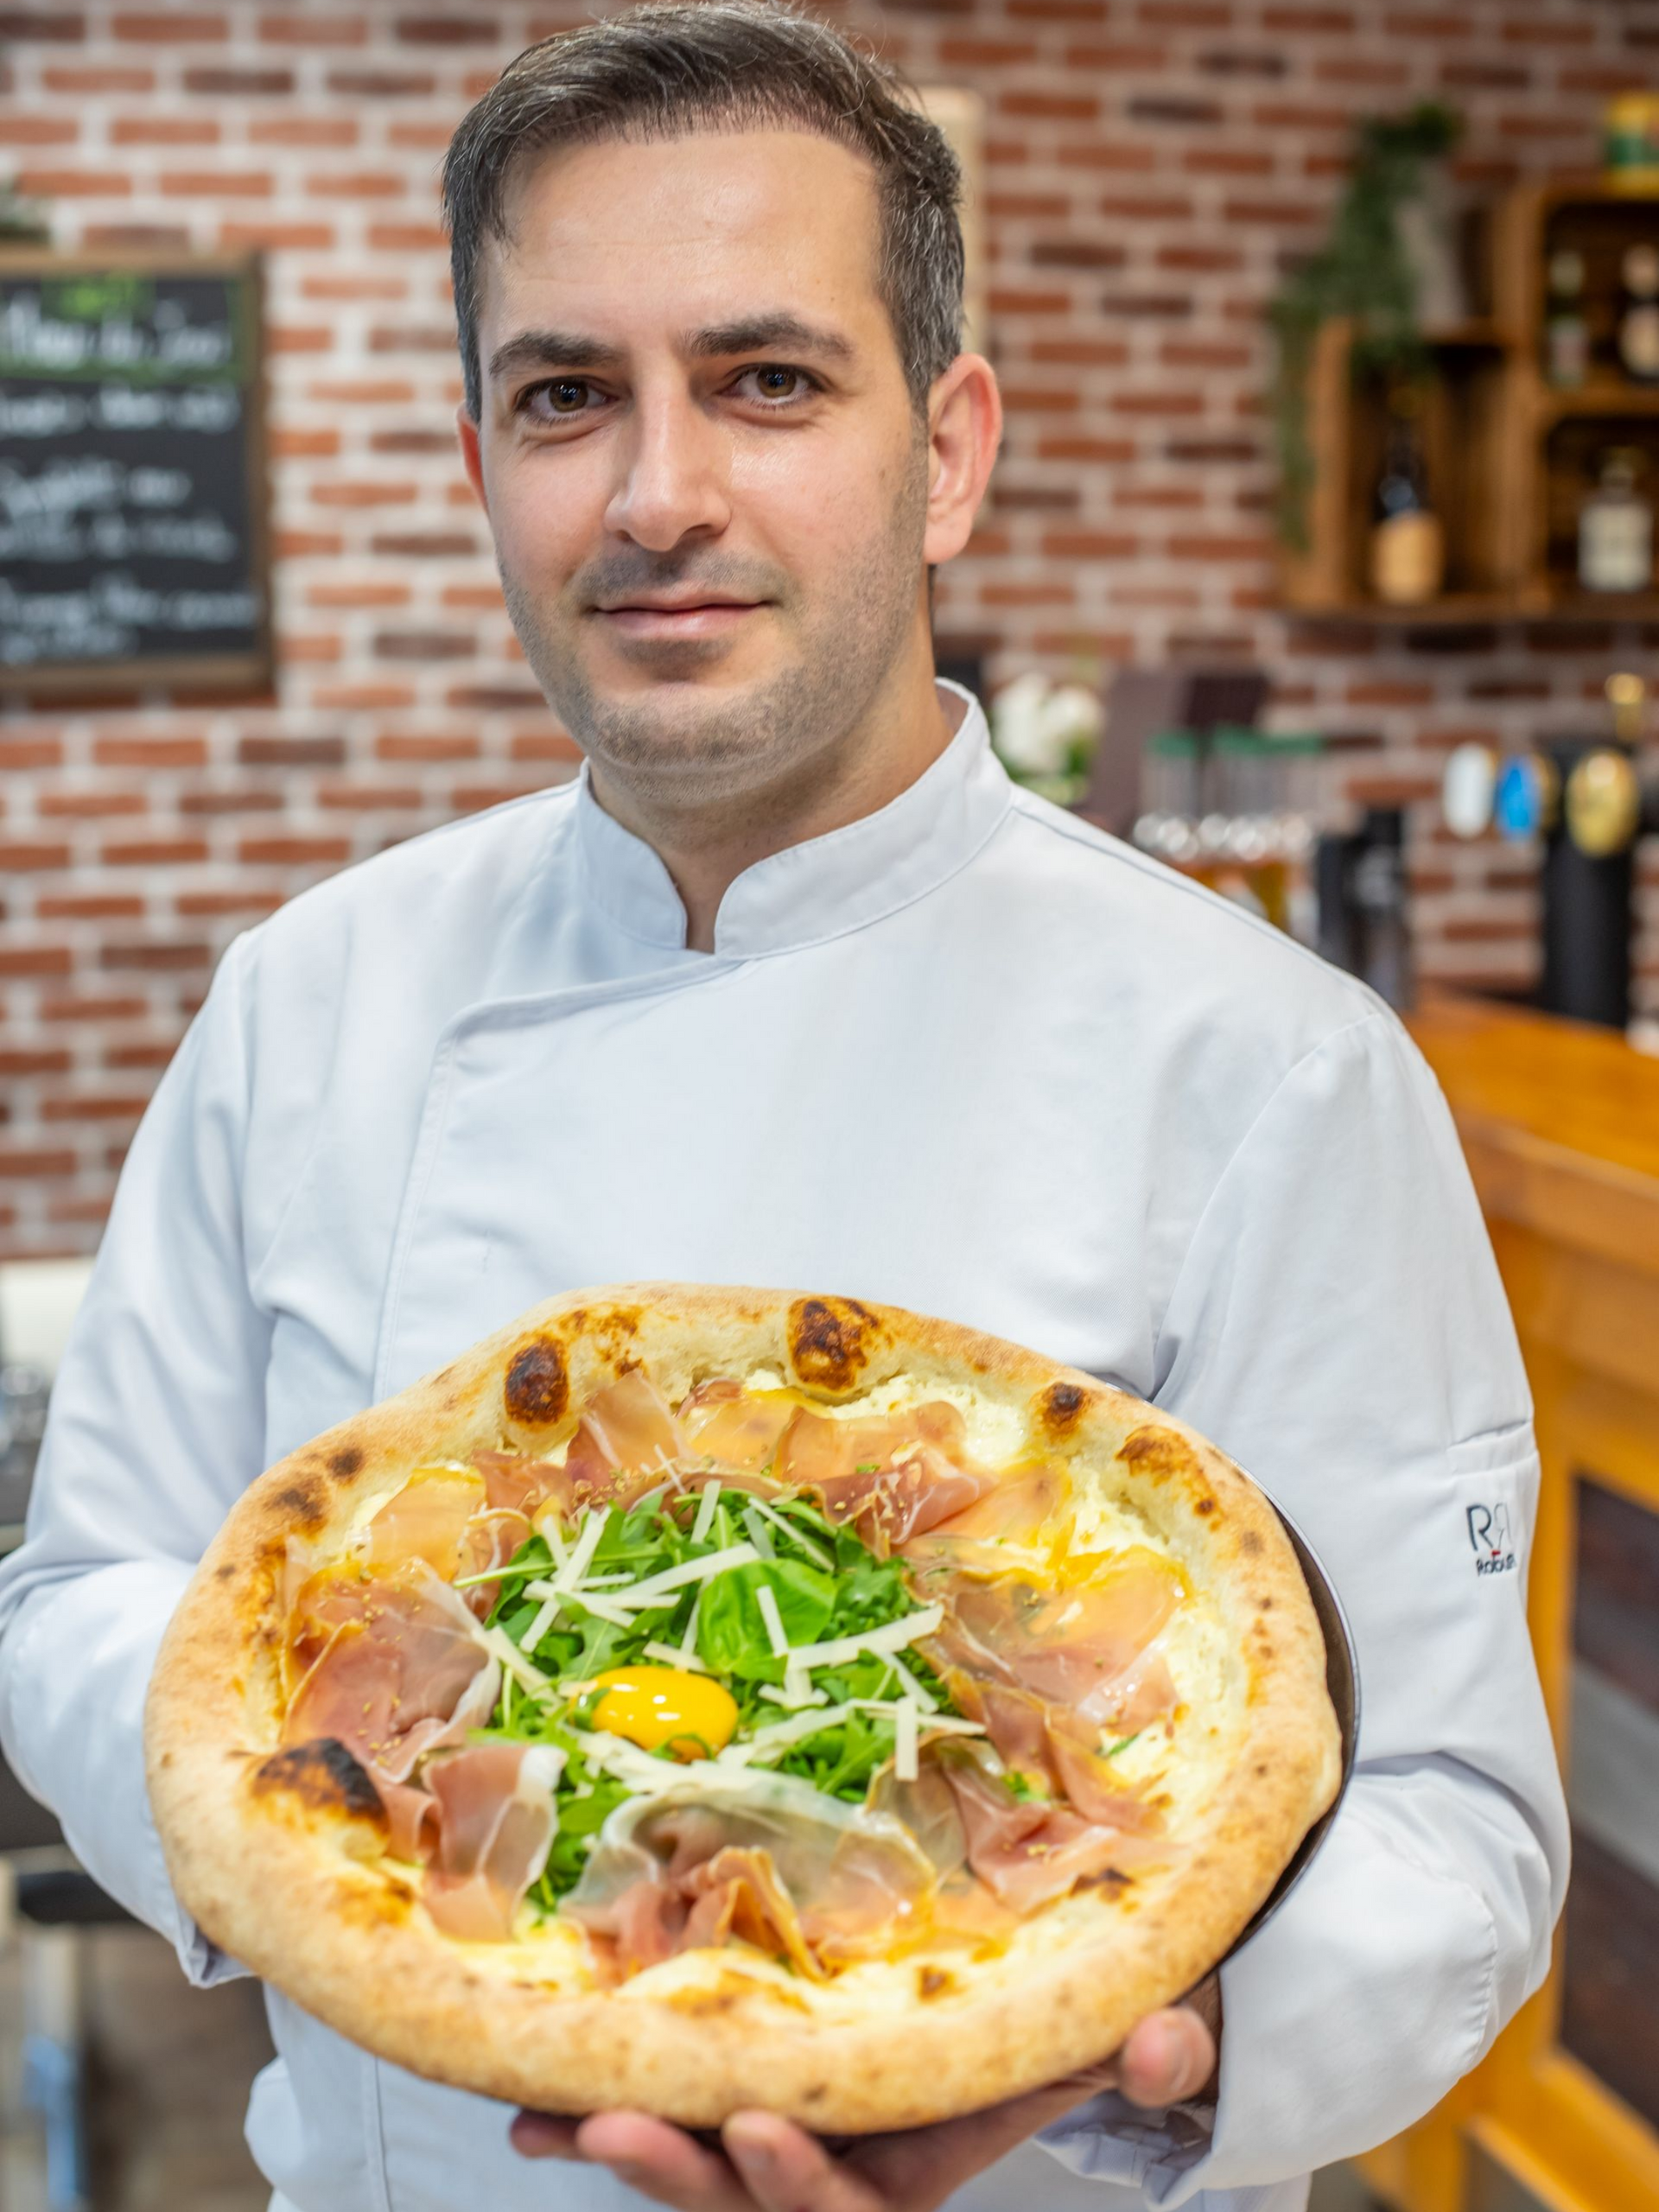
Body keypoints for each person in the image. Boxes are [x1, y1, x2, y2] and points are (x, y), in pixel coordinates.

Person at [0, 7, 1567, 2211]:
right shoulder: (307, 1000)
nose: (659, 494)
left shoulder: (1269, 1064)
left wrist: (1099, 2045)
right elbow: (91, 1590)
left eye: (765, 379)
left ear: (949, 450)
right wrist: (314, 1841)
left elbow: (1456, 1830)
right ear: (479, 465)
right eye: (568, 396)